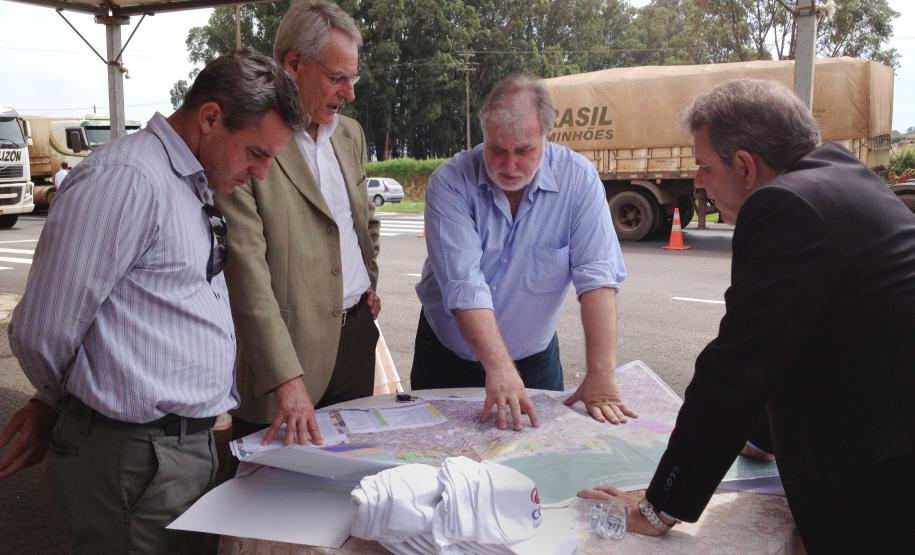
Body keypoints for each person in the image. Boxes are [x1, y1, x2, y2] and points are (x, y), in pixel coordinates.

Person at [579, 79, 915, 553]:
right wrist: (759, 440)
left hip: (884, 474)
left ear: (745, 166)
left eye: (703, 166)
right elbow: (791, 341)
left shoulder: (782, 204)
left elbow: (736, 368)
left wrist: (657, 507)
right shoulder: (841, 173)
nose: (698, 181)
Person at [0, 50, 306, 553]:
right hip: (134, 456)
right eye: (256, 152)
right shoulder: (128, 180)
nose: (261, 173)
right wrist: (74, 403)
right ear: (210, 117)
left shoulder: (185, 180)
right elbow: (42, 330)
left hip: (171, 452)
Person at [412, 75, 635, 432]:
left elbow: (597, 278)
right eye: (497, 150)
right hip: (447, 357)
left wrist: (601, 374)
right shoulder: (451, 182)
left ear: (547, 135)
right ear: (484, 133)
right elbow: (464, 284)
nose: (509, 165)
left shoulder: (578, 180)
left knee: (540, 454)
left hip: (534, 360)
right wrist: (498, 366)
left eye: (524, 151)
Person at [215, 0, 381, 447]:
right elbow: (245, 275)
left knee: (351, 474)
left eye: (354, 78)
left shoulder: (349, 134)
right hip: (287, 357)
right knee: (274, 484)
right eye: (337, 78)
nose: (350, 93)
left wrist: (367, 280)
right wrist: (285, 378)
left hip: (355, 339)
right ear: (293, 64)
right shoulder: (251, 140)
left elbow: (364, 220)